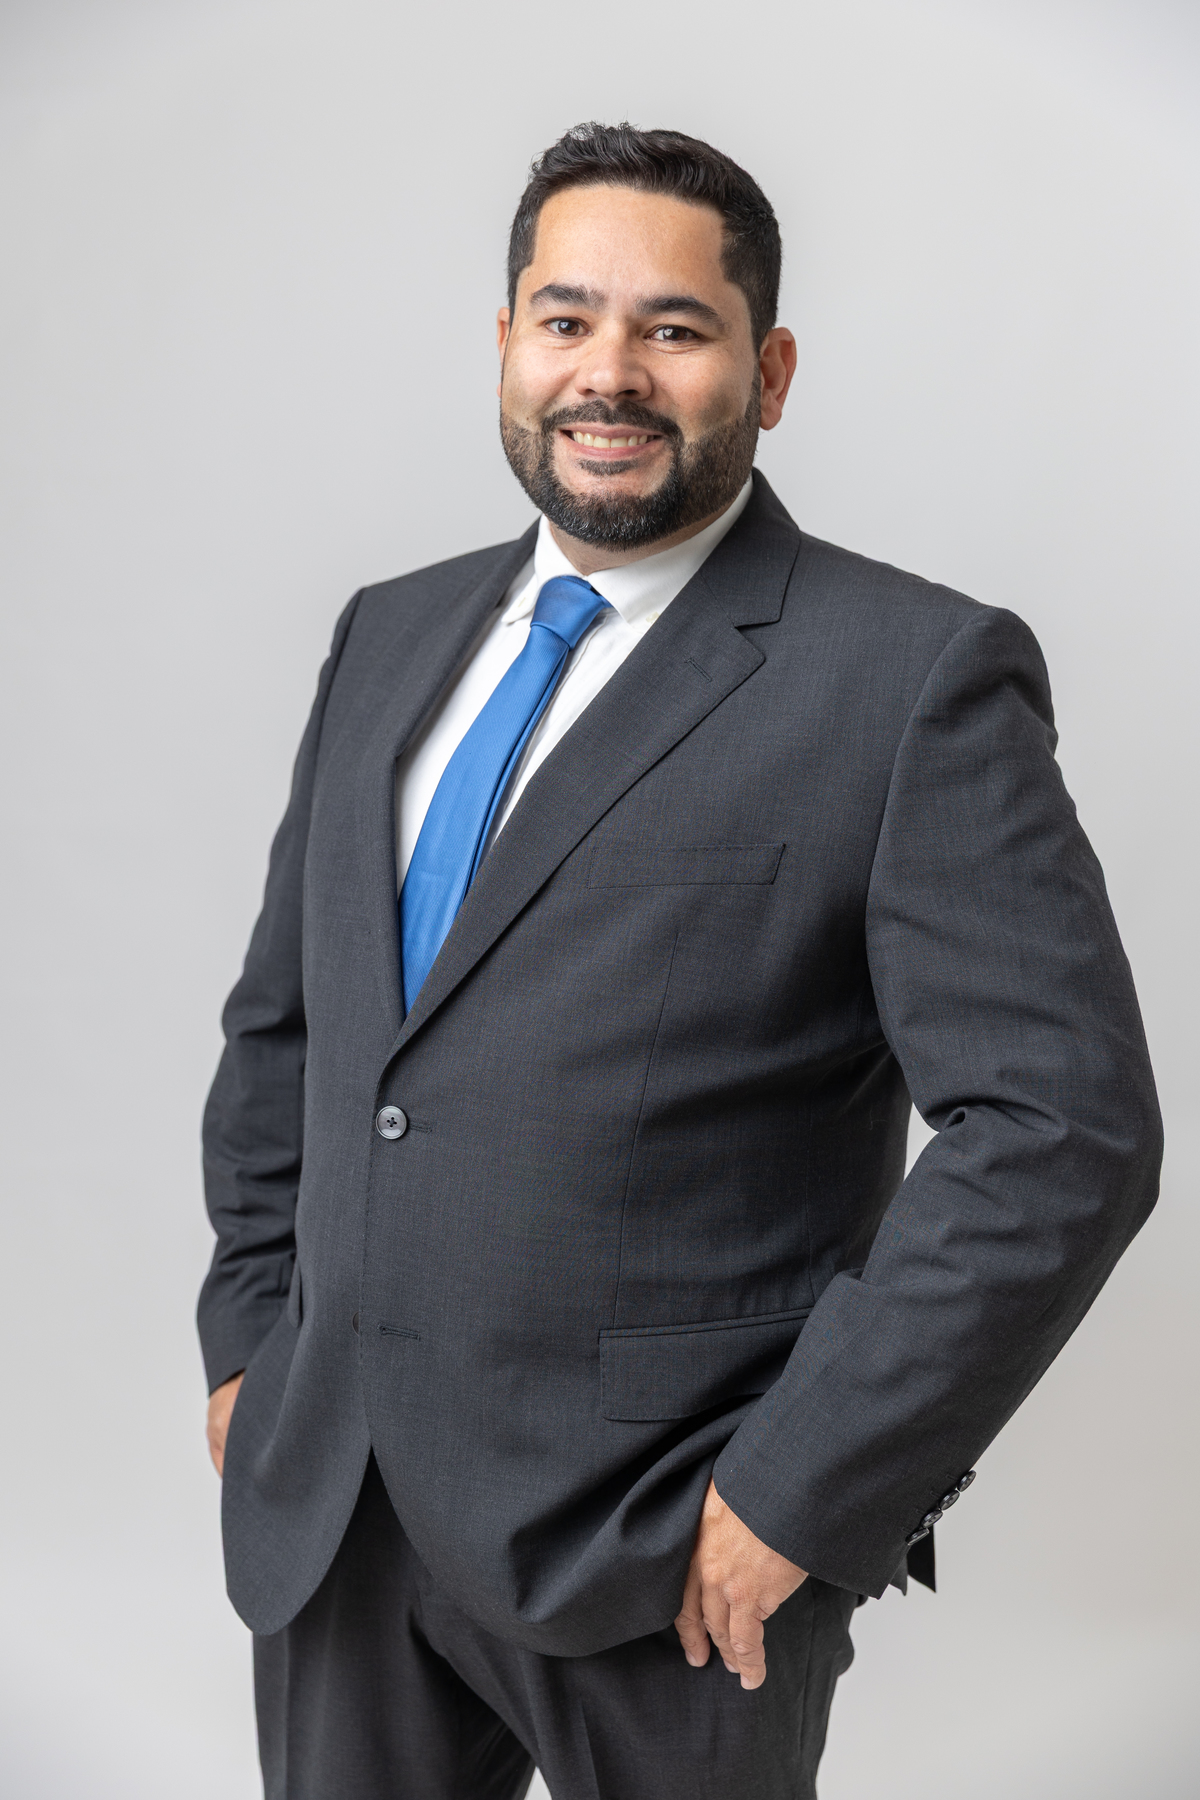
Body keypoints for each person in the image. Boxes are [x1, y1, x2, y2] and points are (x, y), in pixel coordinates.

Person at [198, 123, 1161, 1799]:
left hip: (672, 1550)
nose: (610, 373)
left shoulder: (912, 679)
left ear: (768, 373)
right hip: (334, 1501)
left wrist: (807, 1488)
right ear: (506, 343)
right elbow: (295, 1025)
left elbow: (1061, 1133)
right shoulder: (389, 632)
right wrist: (246, 1341)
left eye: (675, 327)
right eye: (566, 319)